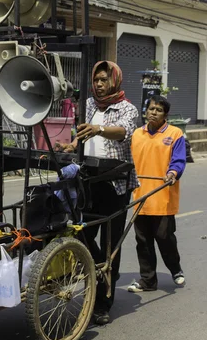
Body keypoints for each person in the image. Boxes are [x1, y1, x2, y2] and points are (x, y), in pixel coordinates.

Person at [76, 60, 139, 325]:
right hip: (88, 180)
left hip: (115, 185)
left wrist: (99, 129)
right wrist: (71, 145)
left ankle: (103, 303)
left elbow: (123, 132)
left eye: (104, 80)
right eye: (97, 80)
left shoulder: (128, 108)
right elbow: (82, 134)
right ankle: (97, 276)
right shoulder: (88, 105)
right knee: (83, 236)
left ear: (114, 80)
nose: (99, 85)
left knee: (110, 243)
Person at [128, 96, 186, 293]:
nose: (153, 112)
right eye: (151, 108)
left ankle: (175, 269)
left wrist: (172, 173)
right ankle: (148, 281)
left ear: (165, 115)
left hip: (163, 196)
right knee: (142, 242)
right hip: (140, 196)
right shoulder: (136, 134)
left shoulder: (175, 133)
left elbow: (178, 161)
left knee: (164, 237)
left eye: (158, 110)